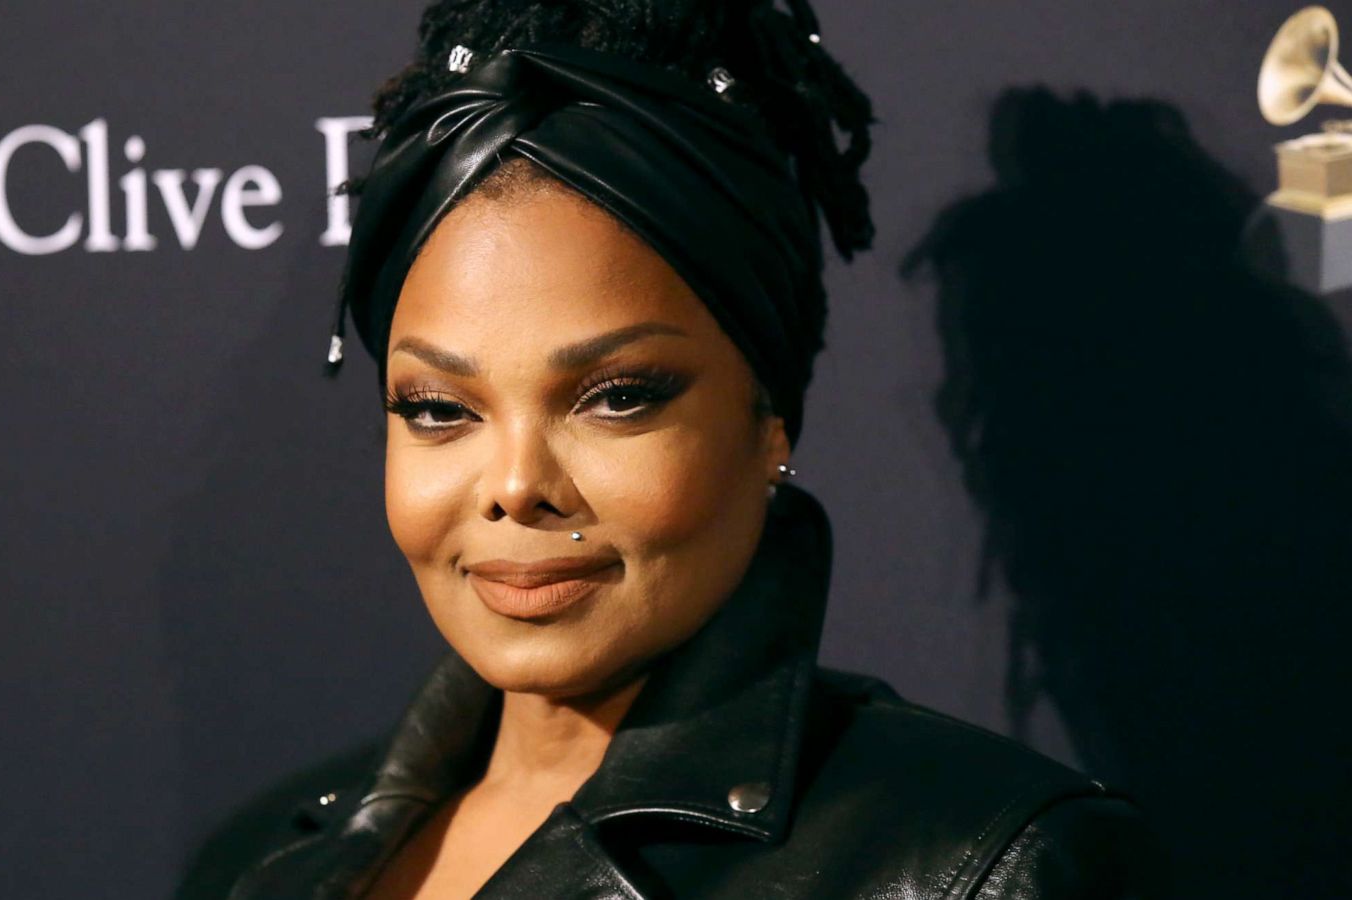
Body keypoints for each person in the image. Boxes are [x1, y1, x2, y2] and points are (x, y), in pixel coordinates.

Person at [199, 1, 1166, 896]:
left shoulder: (980, 865)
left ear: (768, 420)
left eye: (615, 398)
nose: (515, 485)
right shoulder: (259, 864)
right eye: (440, 407)